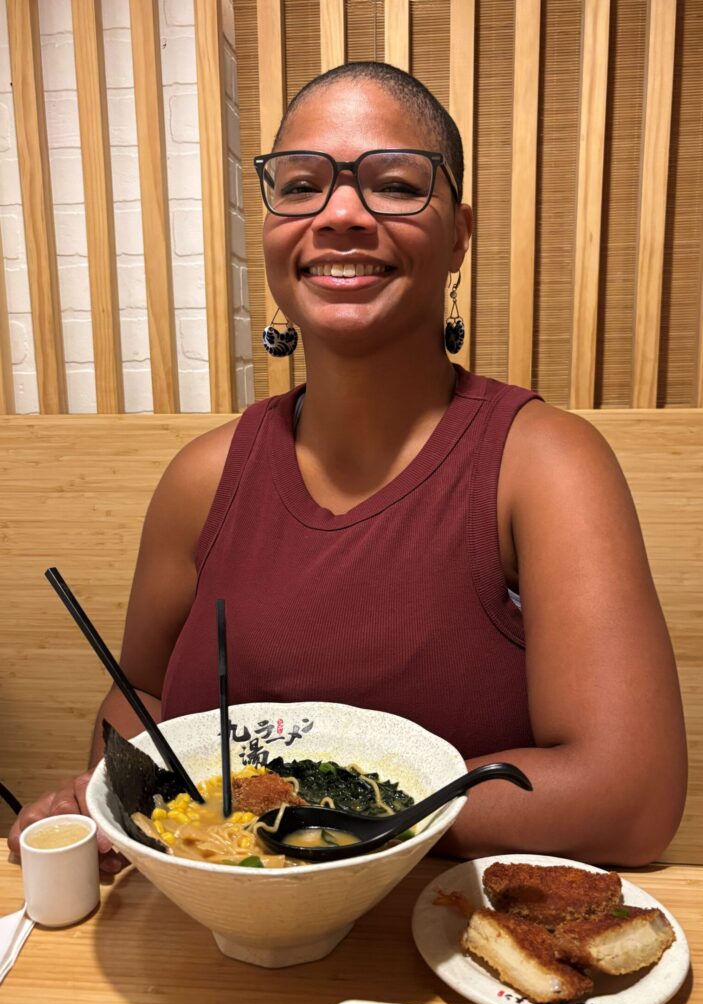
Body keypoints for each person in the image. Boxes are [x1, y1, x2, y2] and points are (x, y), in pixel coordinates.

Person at [9, 62, 687, 873]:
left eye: (393, 185)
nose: (338, 214)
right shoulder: (200, 478)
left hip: (432, 938)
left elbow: (628, 798)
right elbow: (142, 696)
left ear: (458, 233)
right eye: (300, 185)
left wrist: (313, 830)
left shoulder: (543, 464)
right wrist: (113, 799)